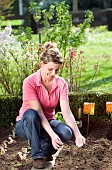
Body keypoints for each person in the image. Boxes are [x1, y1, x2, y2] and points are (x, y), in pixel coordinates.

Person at [15, 41, 86, 169]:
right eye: (50, 69)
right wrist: (52, 135)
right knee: (31, 114)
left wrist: (78, 134)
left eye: (56, 70)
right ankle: (37, 157)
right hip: (26, 123)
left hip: (48, 120)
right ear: (41, 64)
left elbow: (66, 112)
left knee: (65, 133)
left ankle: (47, 152)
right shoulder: (29, 82)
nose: (53, 73)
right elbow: (39, 113)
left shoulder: (61, 83)